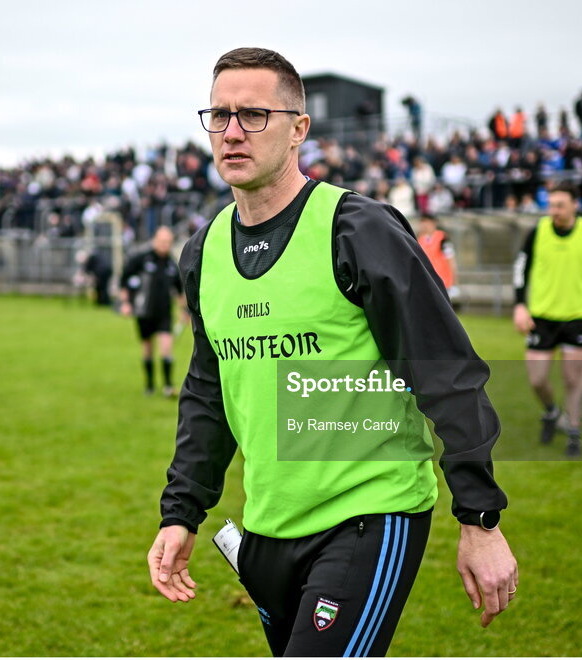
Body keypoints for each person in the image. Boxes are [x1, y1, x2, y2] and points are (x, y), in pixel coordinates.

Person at [146, 47, 517, 657]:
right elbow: (209, 393)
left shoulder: (359, 229)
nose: (232, 132)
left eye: (254, 115)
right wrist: (181, 510)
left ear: (299, 130)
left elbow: (446, 372)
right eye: (219, 115)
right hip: (268, 525)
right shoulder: (203, 251)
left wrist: (479, 519)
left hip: (371, 514)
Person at [512, 182, 582, 456]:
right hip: (541, 318)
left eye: (561, 205)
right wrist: (519, 305)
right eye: (551, 205)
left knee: (573, 380)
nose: (555, 211)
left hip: (576, 318)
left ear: (575, 205)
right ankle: (552, 412)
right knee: (537, 380)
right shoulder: (537, 231)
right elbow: (521, 268)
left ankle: (574, 433)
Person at [119, 226, 184, 397]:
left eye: (168, 242)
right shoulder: (141, 259)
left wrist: (185, 310)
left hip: (164, 313)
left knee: (166, 348)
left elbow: (179, 290)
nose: (165, 245)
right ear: (155, 240)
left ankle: (168, 386)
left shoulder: (171, 263)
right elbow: (124, 279)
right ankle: (149, 385)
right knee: (147, 349)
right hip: (144, 312)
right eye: (162, 241)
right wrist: (126, 302)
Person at [416, 213, 458, 298]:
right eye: (422, 222)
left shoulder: (443, 238)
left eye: (426, 222)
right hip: (428, 280)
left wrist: (455, 282)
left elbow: (451, 260)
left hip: (443, 281)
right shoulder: (420, 239)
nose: (424, 225)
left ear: (433, 223)